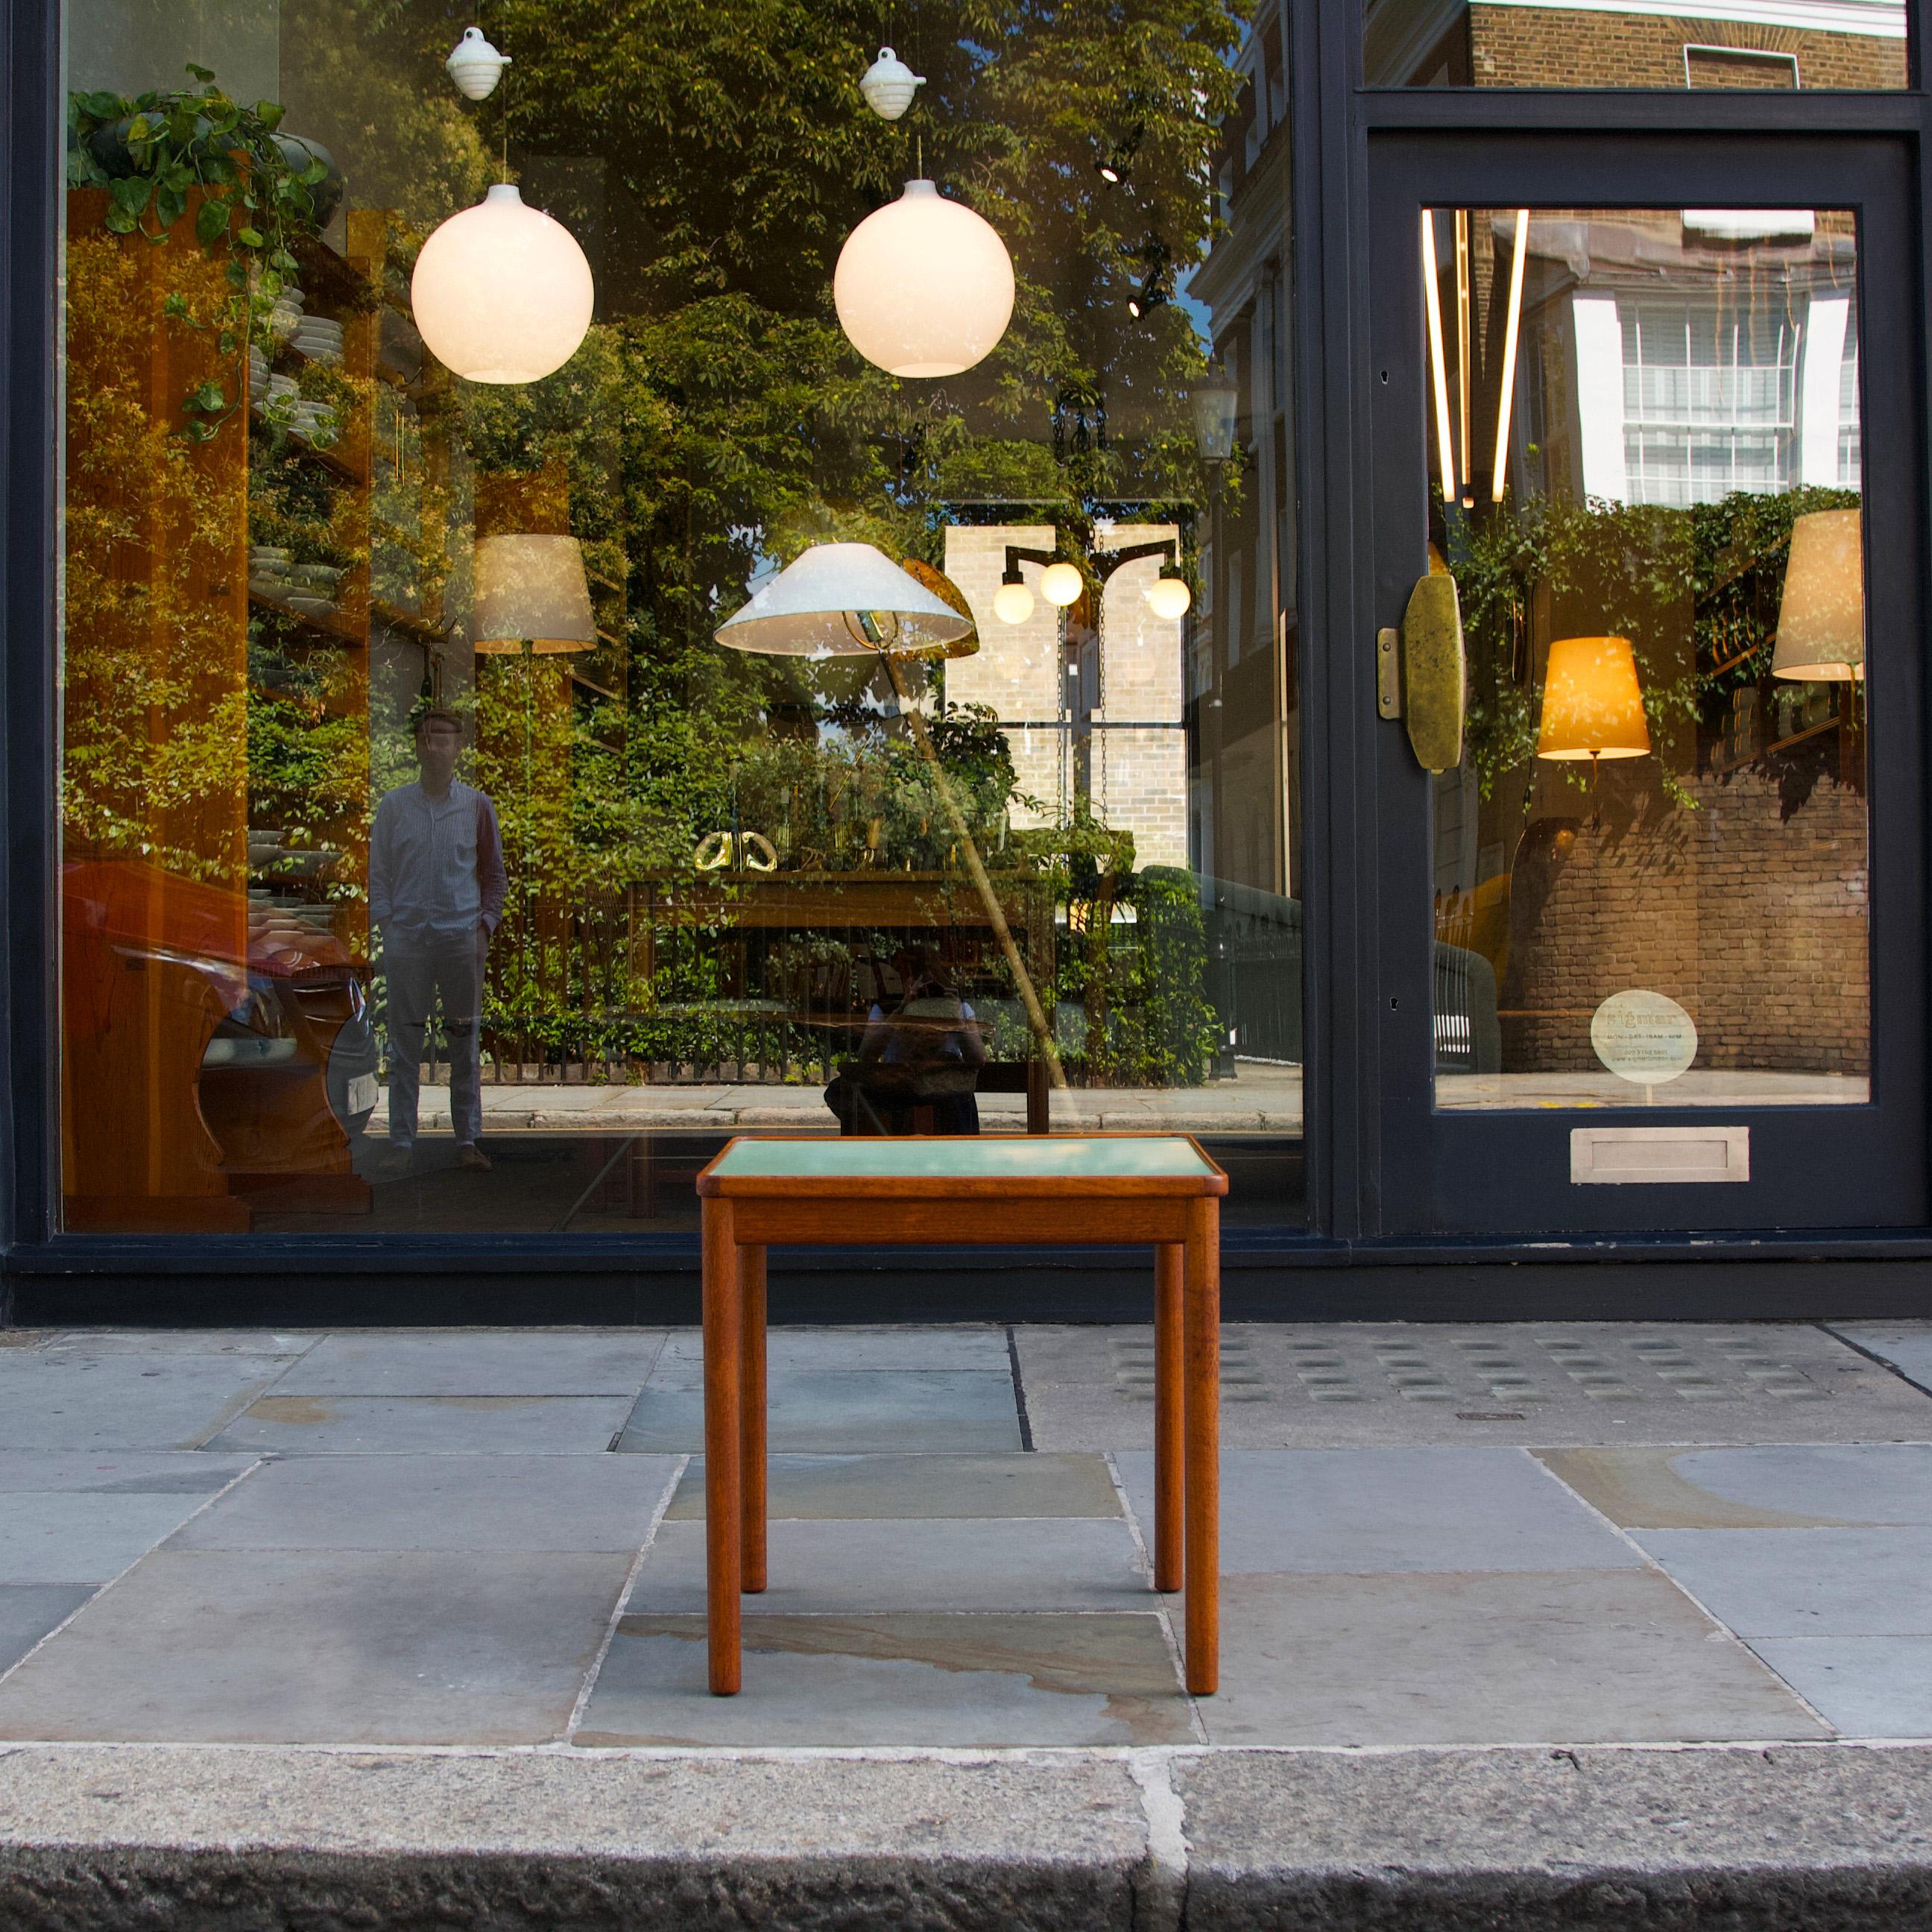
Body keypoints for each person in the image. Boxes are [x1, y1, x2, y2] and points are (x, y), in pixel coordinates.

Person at [369, 708, 506, 1172]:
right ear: (416, 747)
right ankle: (402, 1144)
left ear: (458, 748)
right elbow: (379, 876)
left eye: (443, 741)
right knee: (404, 1046)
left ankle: (468, 1141)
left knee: (464, 1045)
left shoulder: (476, 807)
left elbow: (493, 876)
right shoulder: (393, 807)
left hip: (460, 941)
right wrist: (388, 926)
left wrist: (483, 928)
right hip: (407, 941)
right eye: (426, 740)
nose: (435, 748)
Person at [825, 945, 985, 1134]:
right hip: (898, 1089)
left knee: (959, 1098)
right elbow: (866, 1054)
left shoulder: (957, 1006)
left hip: (945, 1090)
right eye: (915, 974)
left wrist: (957, 1019)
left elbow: (978, 1058)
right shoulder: (887, 1007)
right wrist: (902, 1008)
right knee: (841, 1091)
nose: (925, 983)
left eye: (930, 975)